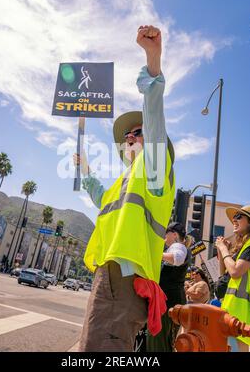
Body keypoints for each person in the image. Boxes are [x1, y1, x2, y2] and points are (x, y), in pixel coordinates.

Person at [74, 25, 175, 352]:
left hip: (125, 283)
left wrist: (152, 62)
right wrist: (84, 168)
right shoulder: (125, 181)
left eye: (136, 132)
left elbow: (155, 119)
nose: (129, 137)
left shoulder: (154, 168)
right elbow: (99, 196)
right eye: (127, 135)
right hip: (109, 280)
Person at [215, 205, 250, 352]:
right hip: (234, 309)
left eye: (239, 216)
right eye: (234, 217)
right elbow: (224, 276)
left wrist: (223, 249)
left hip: (242, 311)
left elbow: (235, 271)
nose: (234, 219)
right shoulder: (245, 245)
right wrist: (223, 252)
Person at [146, 222, 192, 352]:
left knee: (157, 342)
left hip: (168, 303)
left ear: (174, 234)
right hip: (171, 302)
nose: (164, 237)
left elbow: (177, 258)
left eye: (166, 233)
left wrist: (156, 254)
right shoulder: (178, 247)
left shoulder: (178, 246)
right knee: (164, 343)